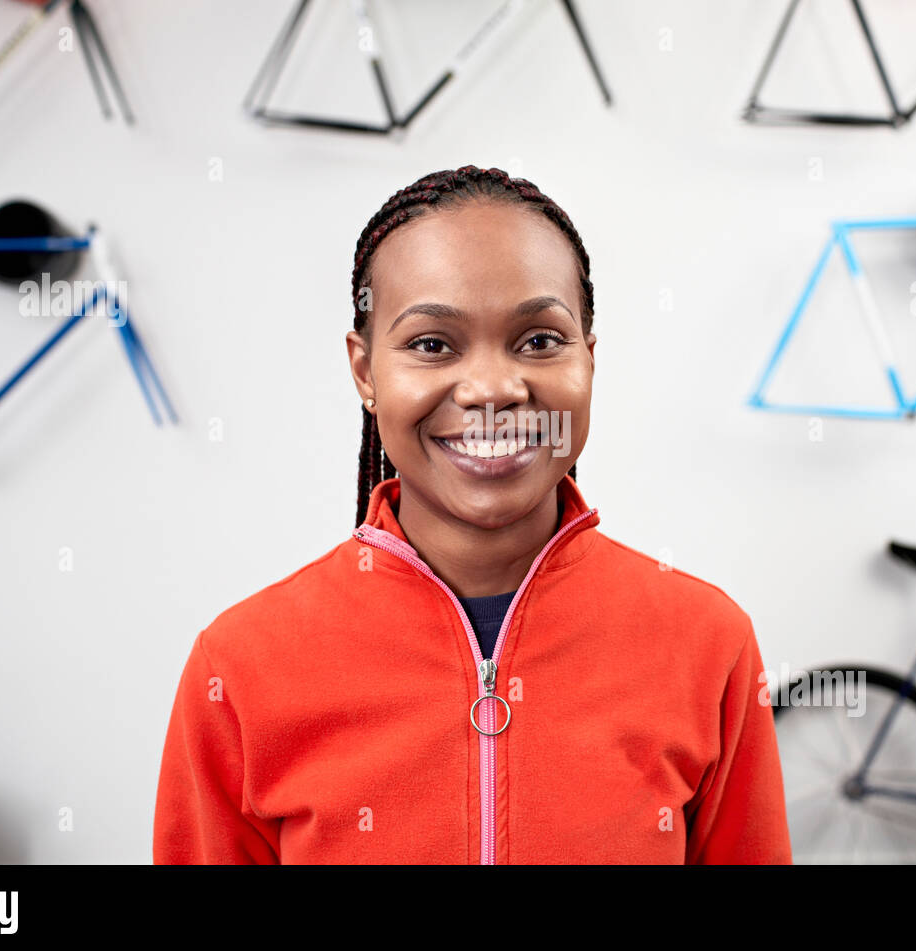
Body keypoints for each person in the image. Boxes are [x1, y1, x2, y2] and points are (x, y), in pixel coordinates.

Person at [153, 165, 792, 864]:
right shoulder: (240, 668)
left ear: (589, 360)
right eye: (432, 344)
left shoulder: (708, 644)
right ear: (365, 372)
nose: (492, 388)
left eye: (540, 340)